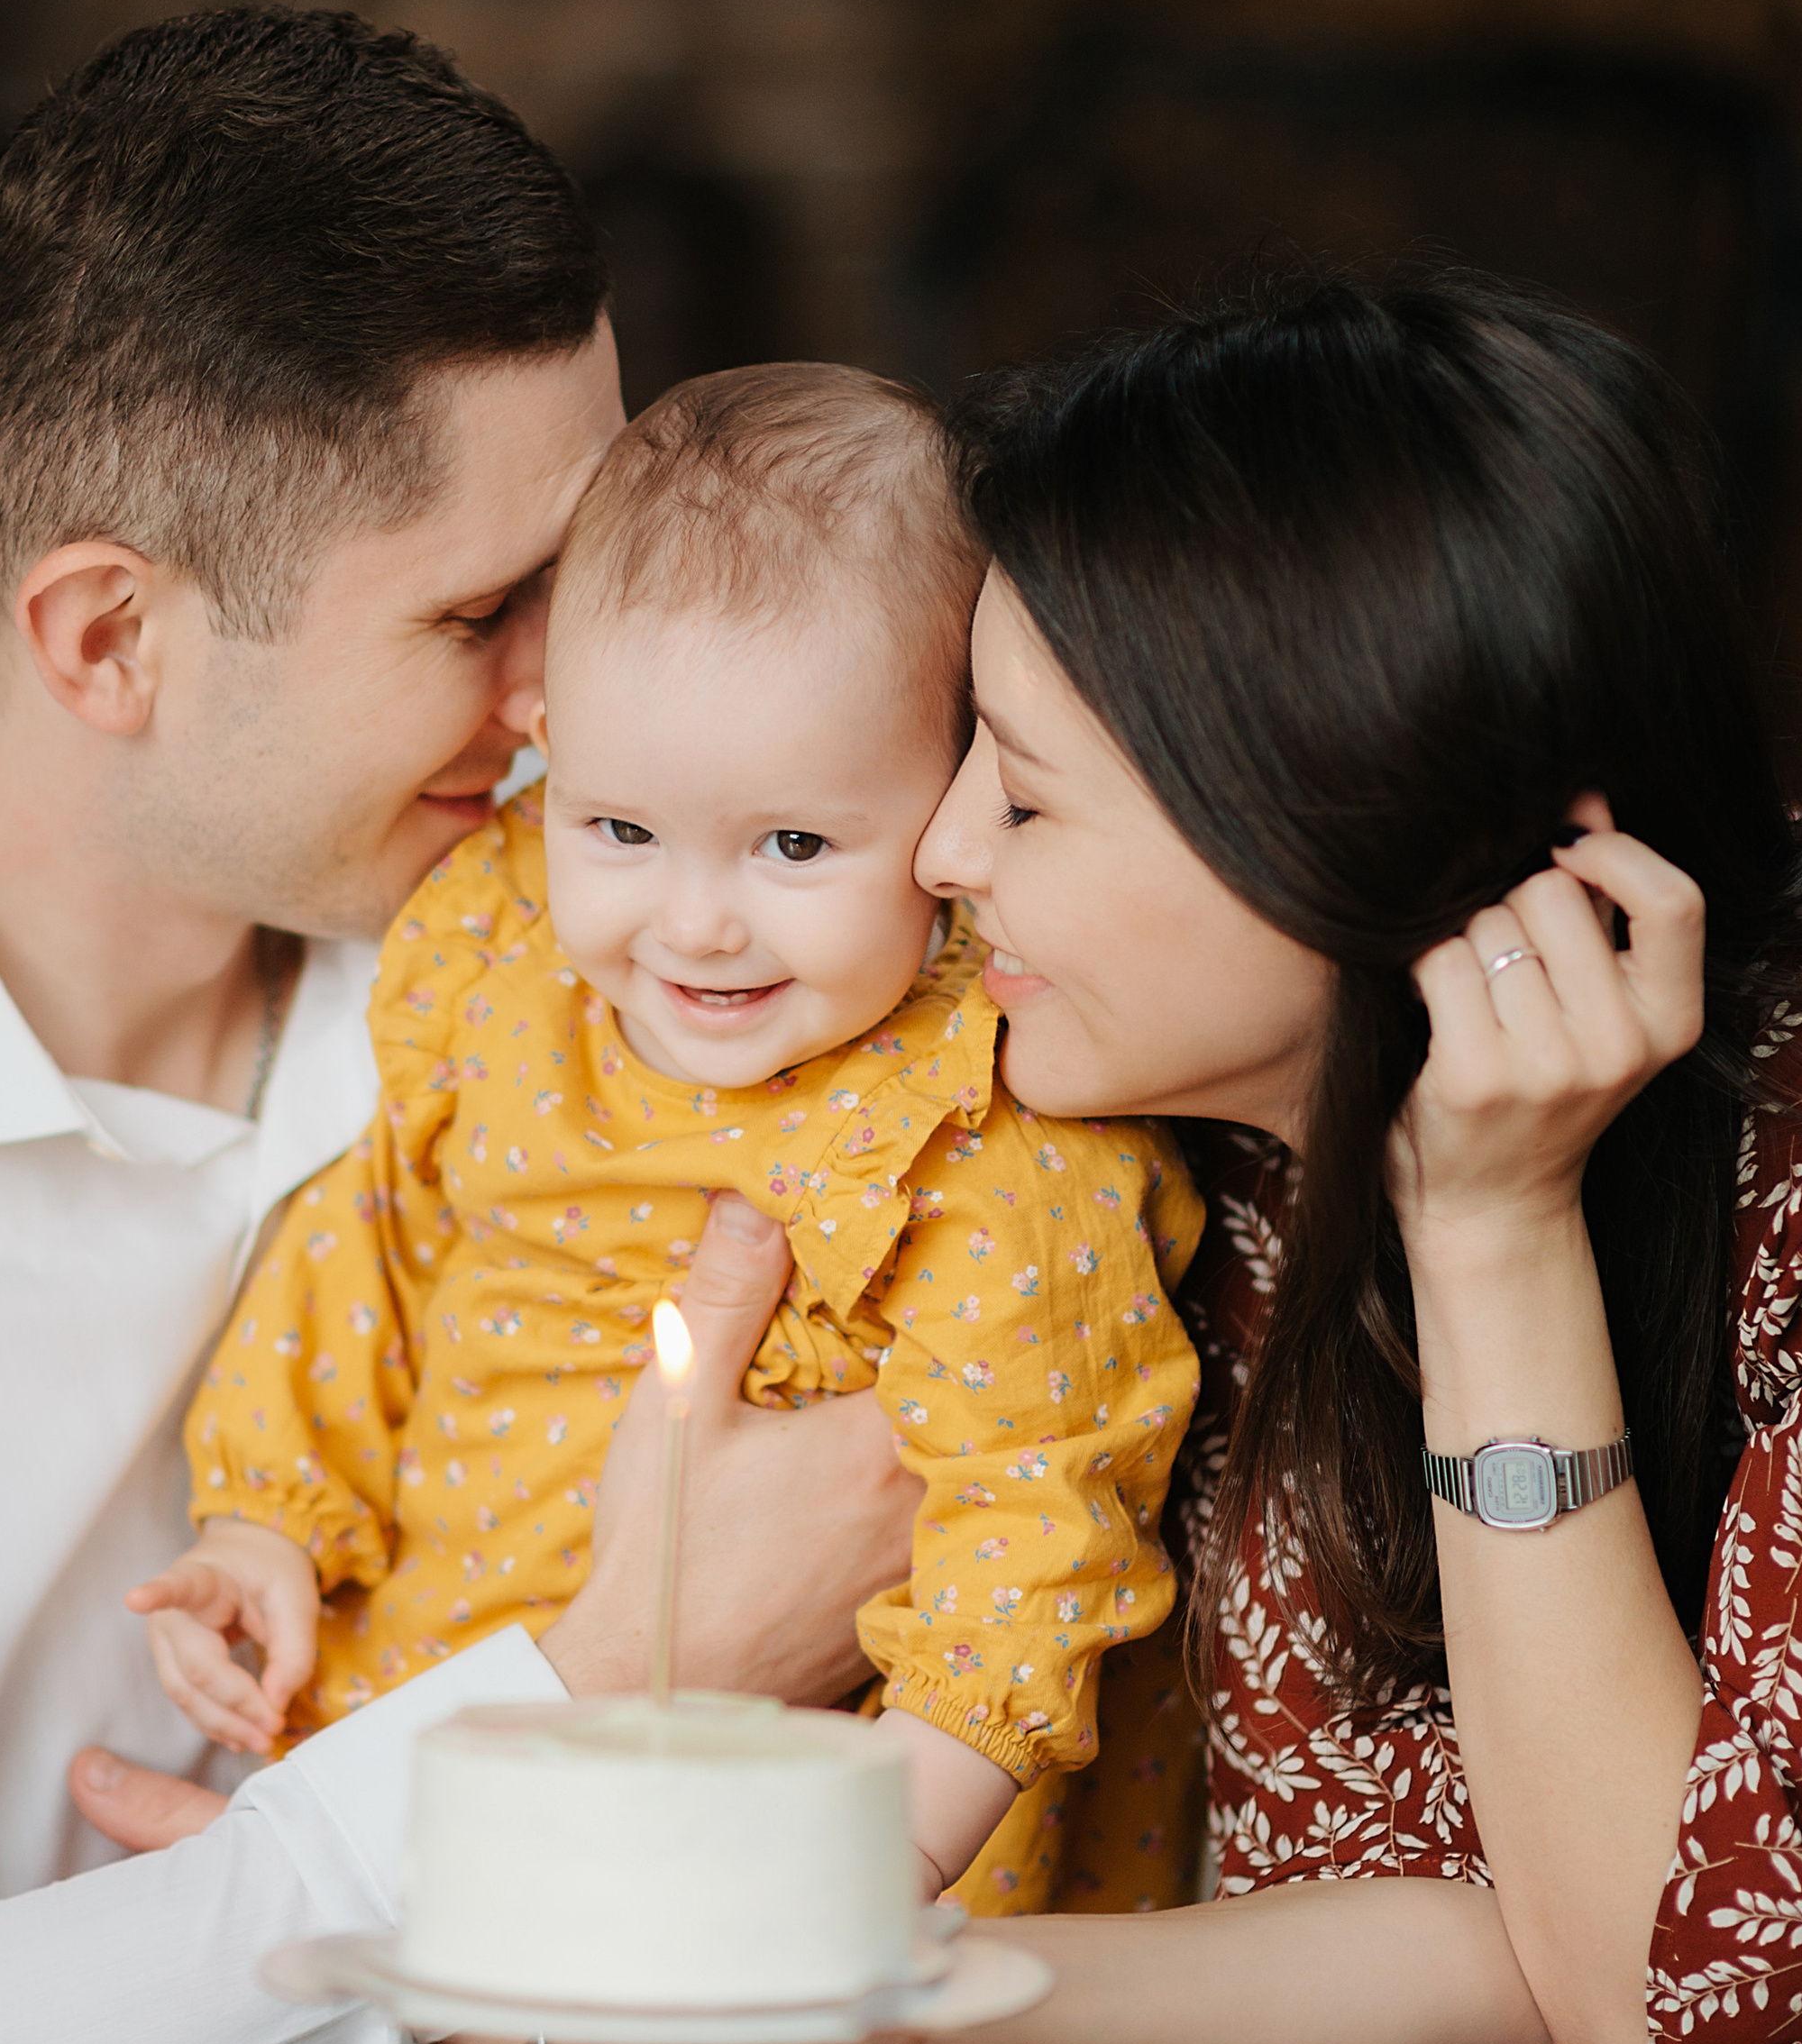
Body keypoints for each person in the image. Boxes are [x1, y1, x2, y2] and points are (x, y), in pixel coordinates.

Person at [0, 7, 919, 2044]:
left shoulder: (640, 927)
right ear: (108, 641)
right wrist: (602, 1701)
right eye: (487, 609)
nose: (592, 691)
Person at [556, 268, 1802, 2044]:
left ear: (1348, 833)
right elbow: (1482, 1928)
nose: (938, 848)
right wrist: (878, 1986)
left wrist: (1493, 1237)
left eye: (1030, 792)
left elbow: (1659, 2007)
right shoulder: (1190, 1175)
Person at [130, 364, 1203, 1916]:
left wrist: (873, 1861)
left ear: (955, 803)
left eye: (793, 843)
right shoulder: (504, 951)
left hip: (786, 1814)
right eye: (619, 828)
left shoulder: (986, 1129)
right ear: (551, 752)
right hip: (441, 1687)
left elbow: (1046, 1523)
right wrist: (263, 1520)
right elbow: (371, 1239)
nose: (695, 922)